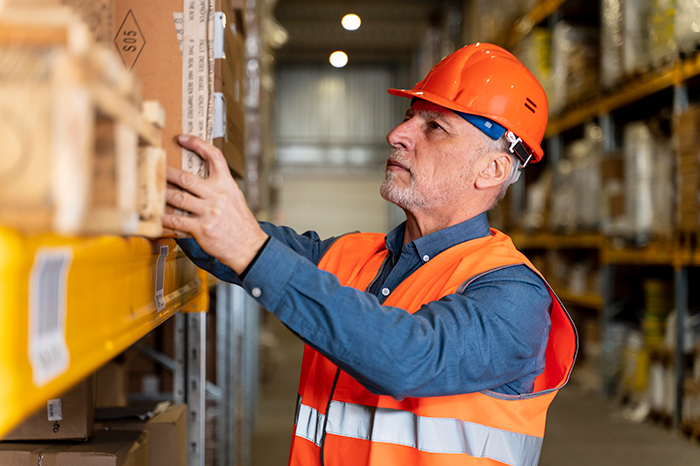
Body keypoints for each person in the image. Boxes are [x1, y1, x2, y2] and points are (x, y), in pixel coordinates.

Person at [165, 43, 578, 466]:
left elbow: (410, 358)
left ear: (490, 169)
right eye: (407, 119)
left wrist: (252, 251)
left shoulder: (513, 295)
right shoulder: (353, 256)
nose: (396, 135)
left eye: (434, 126)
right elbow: (226, 238)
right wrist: (156, 193)